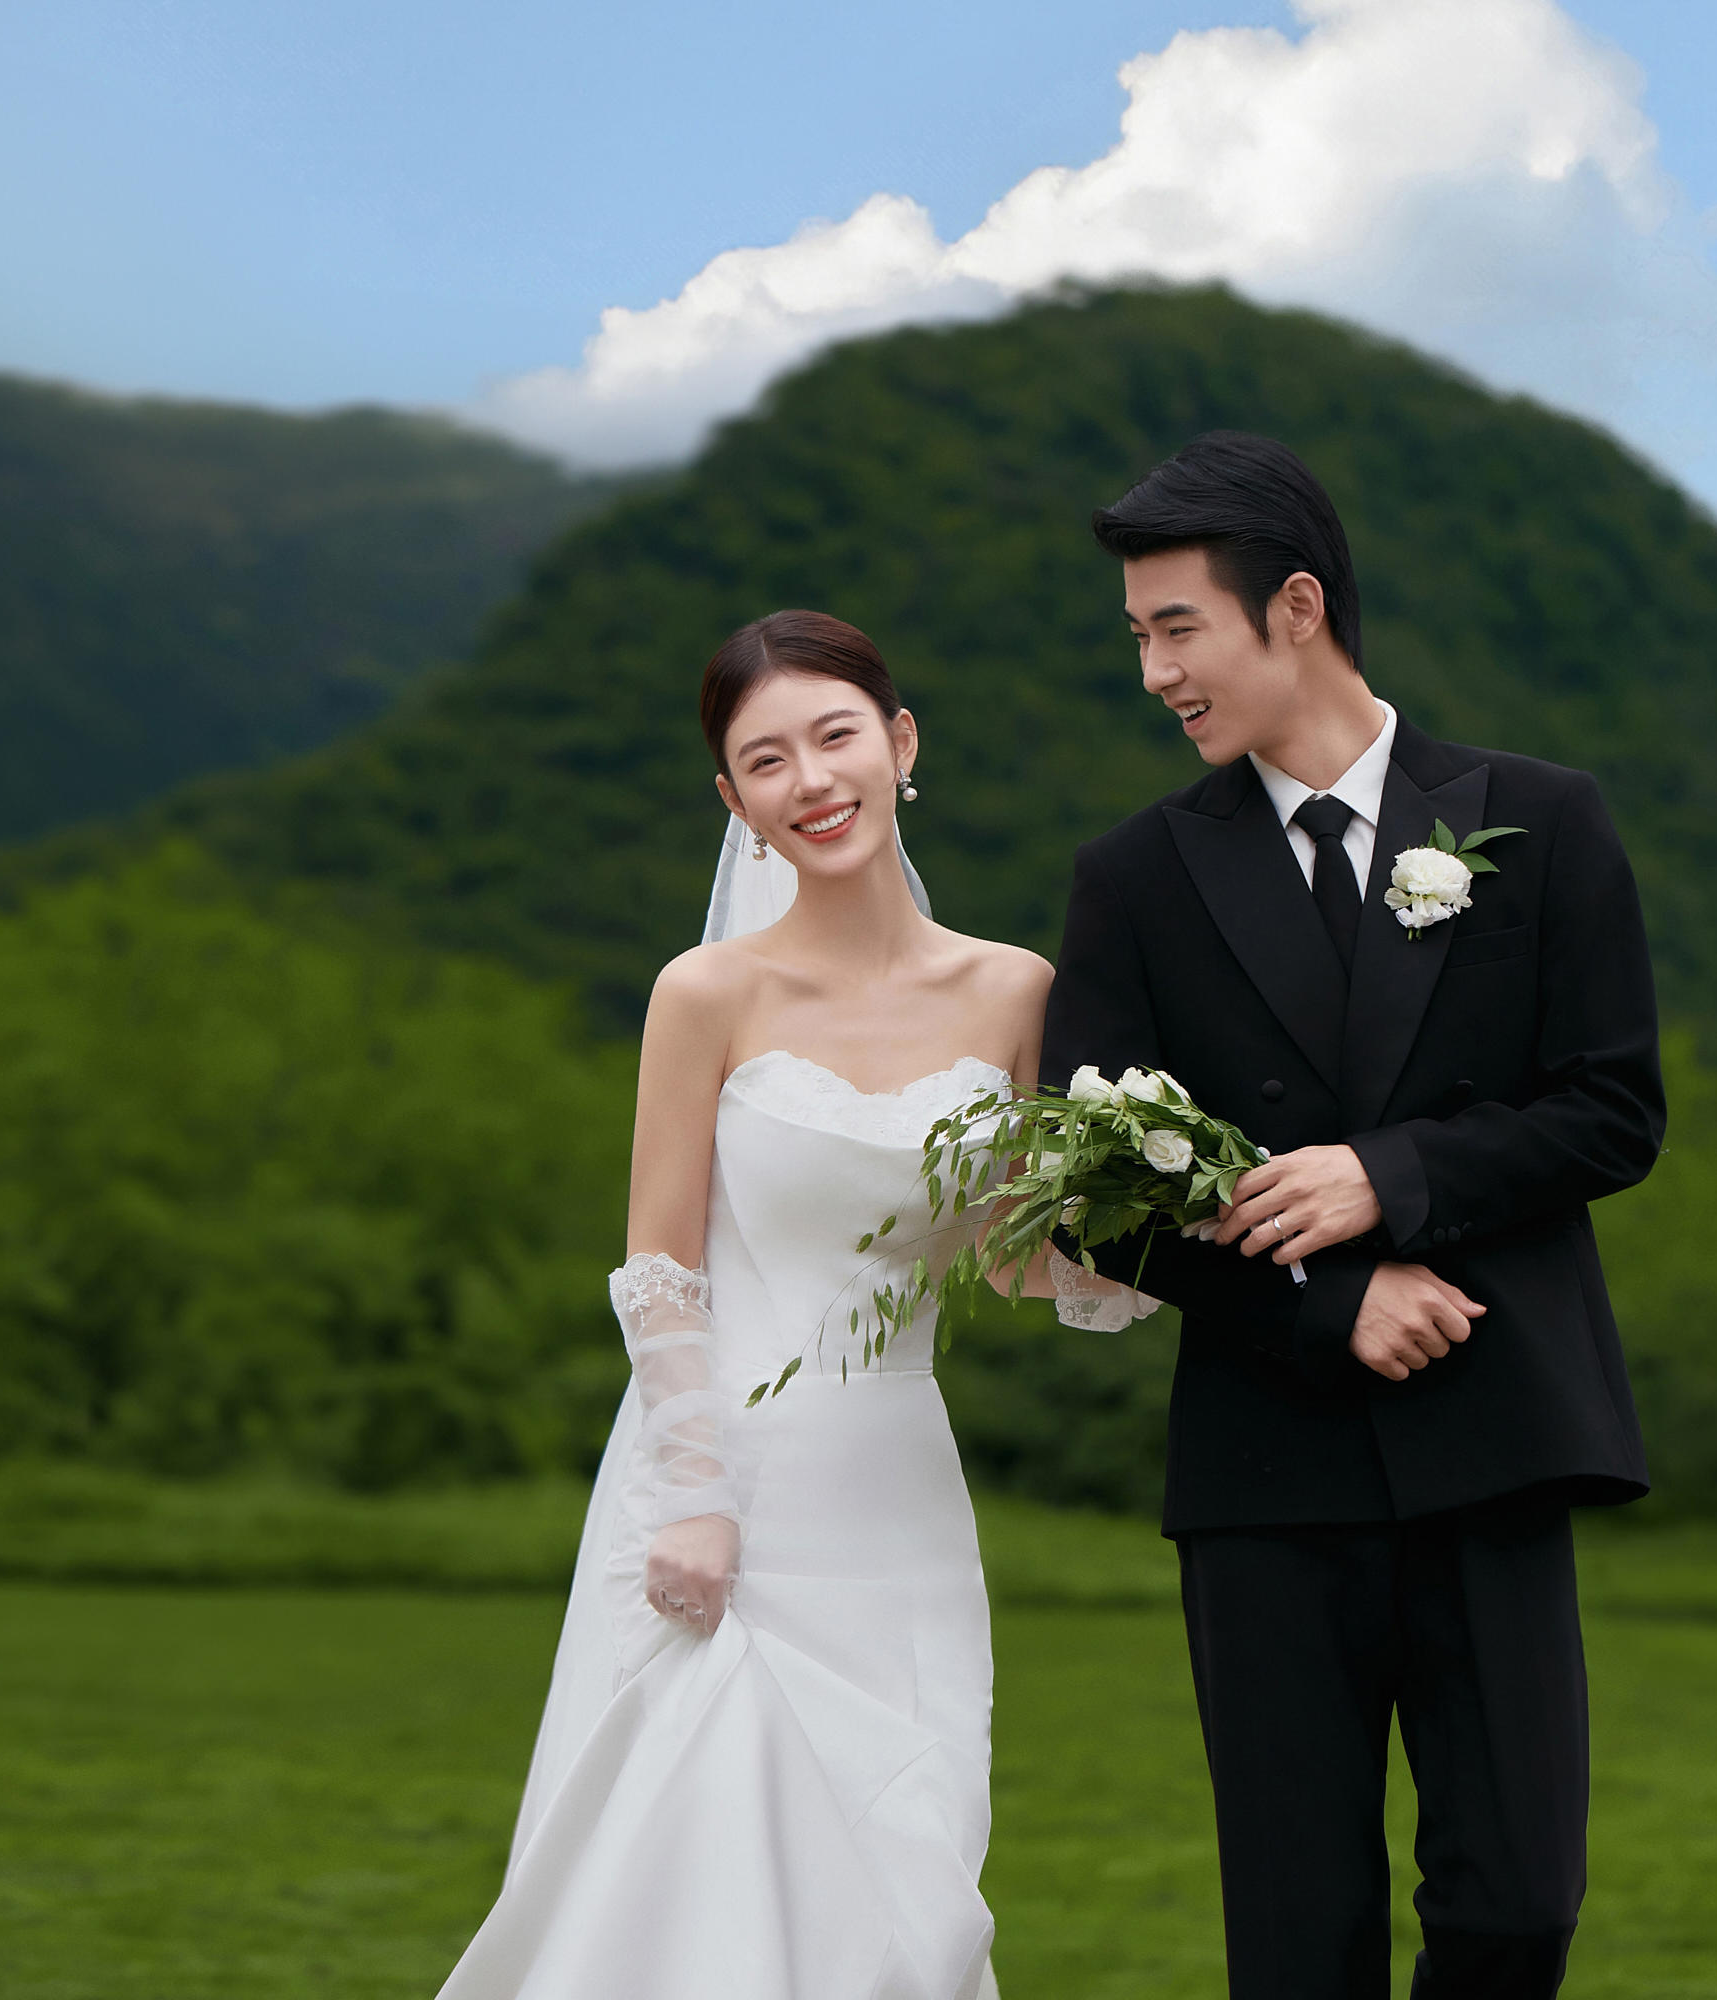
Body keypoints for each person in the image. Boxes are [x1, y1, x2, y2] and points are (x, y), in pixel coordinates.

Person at [1042, 433, 1668, 1998]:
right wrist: (1336, 1302)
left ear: (1298, 608)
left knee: (1519, 1904)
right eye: (1137, 636)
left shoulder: (1542, 820)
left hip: (1495, 1428)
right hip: (1267, 1468)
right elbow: (1097, 1201)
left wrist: (1390, 1177)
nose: (1153, 673)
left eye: (1176, 628)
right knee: (1298, 1942)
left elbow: (1613, 1111)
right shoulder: (1135, 879)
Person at [437, 607, 1130, 2000]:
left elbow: (1000, 1253)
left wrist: (1155, 1238)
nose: (812, 780)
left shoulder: (1014, 990)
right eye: (767, 761)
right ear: (734, 801)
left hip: (897, 1493)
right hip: (728, 1481)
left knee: (908, 1876)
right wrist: (694, 1492)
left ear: (901, 743)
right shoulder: (707, 993)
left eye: (835, 737)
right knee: (695, 1876)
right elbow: (660, 1263)